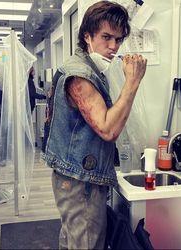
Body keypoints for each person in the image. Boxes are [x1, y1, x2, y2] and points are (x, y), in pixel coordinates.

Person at [42, 1, 147, 249]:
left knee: (75, 241)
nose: (113, 47)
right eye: (106, 37)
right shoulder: (81, 76)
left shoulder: (86, 68)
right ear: (87, 36)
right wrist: (132, 81)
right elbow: (107, 128)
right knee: (87, 243)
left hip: (75, 178)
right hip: (81, 184)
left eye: (119, 40)